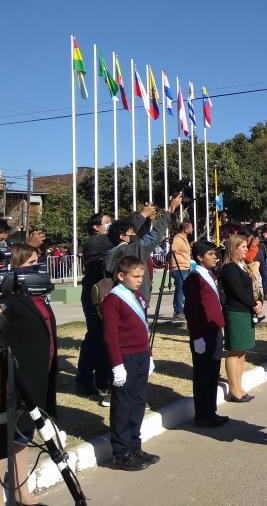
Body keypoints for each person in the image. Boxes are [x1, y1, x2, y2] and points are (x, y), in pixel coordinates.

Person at [0, 244, 58, 504]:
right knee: (3, 443)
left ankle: (22, 494)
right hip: (12, 382)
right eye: (31, 264)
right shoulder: (8, 299)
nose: (38, 269)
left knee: (22, 436)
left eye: (39, 262)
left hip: (36, 379)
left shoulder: (38, 295)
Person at [101, 256, 160, 471]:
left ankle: (135, 446)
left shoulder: (135, 296)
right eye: (135, 276)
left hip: (140, 356)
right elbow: (110, 336)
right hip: (124, 358)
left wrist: (149, 354)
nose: (139, 280)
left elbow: (143, 328)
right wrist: (116, 365)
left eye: (141, 276)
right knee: (122, 406)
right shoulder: (113, 300)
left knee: (137, 403)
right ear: (120, 276)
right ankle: (121, 452)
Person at [105, 195, 182, 308]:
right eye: (131, 231)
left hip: (120, 300)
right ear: (122, 236)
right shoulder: (132, 251)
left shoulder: (110, 253)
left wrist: (147, 219)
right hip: (133, 302)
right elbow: (154, 235)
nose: (134, 233)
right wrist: (170, 210)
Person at [183, 240, 229, 427]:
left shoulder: (210, 274)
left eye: (215, 253)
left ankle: (211, 411)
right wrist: (197, 337)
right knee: (203, 375)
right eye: (210, 254)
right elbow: (192, 311)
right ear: (200, 257)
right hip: (203, 334)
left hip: (214, 330)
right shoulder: (194, 278)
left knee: (212, 373)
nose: (215, 257)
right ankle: (202, 414)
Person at [218, 235, 260, 402]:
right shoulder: (229, 268)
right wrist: (253, 304)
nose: (246, 249)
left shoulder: (241, 266)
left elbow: (249, 289)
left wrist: (257, 301)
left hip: (245, 311)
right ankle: (234, 389)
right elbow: (238, 291)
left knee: (242, 351)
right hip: (235, 312)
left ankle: (240, 387)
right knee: (233, 350)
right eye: (243, 246)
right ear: (234, 248)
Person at [76, 212, 113, 395]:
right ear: (96, 227)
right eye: (107, 223)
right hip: (94, 298)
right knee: (95, 338)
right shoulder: (93, 242)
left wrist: (146, 220)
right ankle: (83, 379)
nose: (110, 225)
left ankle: (102, 379)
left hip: (108, 297)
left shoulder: (111, 241)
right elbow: (118, 236)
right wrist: (140, 217)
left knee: (107, 339)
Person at [169, 220, 193, 320]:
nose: (192, 229)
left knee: (184, 290)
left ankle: (182, 310)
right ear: (185, 229)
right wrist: (173, 265)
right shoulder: (177, 239)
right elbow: (172, 251)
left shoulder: (184, 239)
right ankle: (178, 311)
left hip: (185, 267)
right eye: (191, 227)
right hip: (179, 268)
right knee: (180, 289)